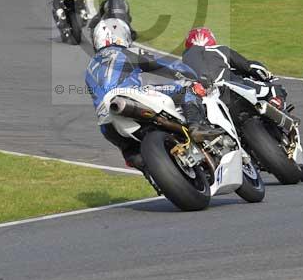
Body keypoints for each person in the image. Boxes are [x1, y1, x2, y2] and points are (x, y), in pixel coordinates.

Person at [85, 18, 221, 170]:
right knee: (187, 90)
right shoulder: (127, 52)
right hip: (130, 98)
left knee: (134, 156)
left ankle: (150, 173)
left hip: (107, 123)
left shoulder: (90, 67)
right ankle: (196, 126)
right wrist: (194, 77)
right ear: (123, 35)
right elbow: (166, 66)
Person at [181, 27, 287, 122]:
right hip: (228, 86)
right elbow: (248, 66)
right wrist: (266, 74)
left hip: (199, 97)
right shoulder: (220, 50)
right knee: (274, 88)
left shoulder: (185, 59)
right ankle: (275, 103)